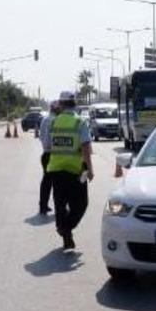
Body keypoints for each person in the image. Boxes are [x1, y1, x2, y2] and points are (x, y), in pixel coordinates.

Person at [46, 91, 94, 250]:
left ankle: (63, 229)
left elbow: (47, 146)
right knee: (81, 204)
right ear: (74, 104)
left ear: (60, 104)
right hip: (76, 170)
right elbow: (86, 146)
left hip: (56, 169)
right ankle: (66, 228)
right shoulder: (80, 122)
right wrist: (90, 168)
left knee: (60, 204)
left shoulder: (53, 122)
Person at [37, 101, 60, 215]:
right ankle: (59, 207)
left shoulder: (45, 119)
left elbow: (41, 137)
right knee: (58, 183)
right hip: (54, 154)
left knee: (46, 181)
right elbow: (52, 138)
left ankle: (43, 205)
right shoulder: (55, 120)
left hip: (46, 154)